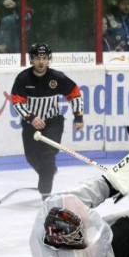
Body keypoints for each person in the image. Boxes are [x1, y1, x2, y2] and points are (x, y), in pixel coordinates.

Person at [10, 43, 84, 200]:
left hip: (53, 122)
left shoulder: (57, 77)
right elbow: (17, 101)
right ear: (32, 60)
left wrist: (78, 117)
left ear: (49, 59)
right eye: (37, 58)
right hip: (30, 124)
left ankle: (45, 195)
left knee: (46, 153)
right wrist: (31, 117)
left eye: (44, 58)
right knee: (32, 157)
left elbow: (74, 94)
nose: (41, 62)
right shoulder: (23, 78)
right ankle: (49, 172)